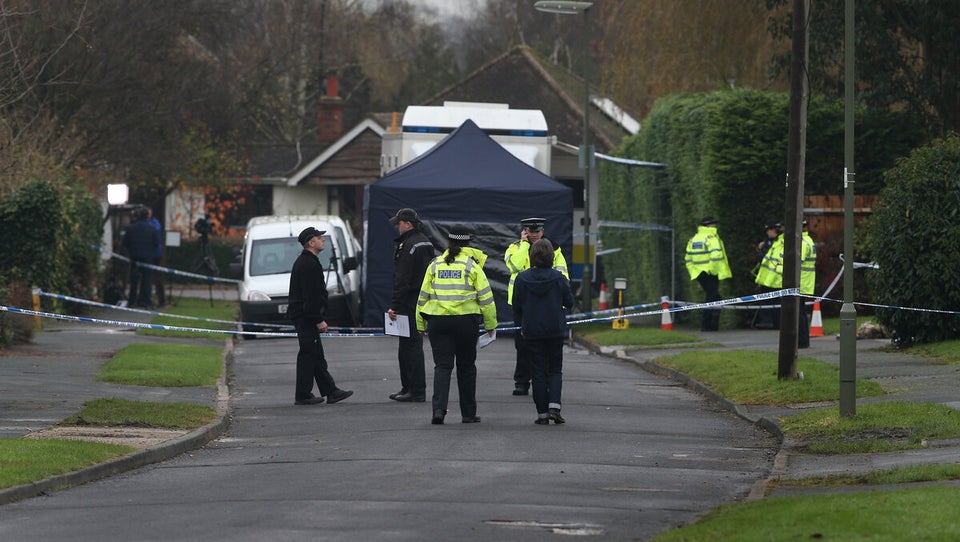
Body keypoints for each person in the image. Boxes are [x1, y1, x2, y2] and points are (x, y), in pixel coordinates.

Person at [416, 226, 497, 425]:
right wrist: (490, 324)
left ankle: (438, 410)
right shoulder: (471, 266)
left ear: (449, 242)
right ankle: (468, 414)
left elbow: (423, 296)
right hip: (465, 323)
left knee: (442, 367)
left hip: (438, 322)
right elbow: (486, 298)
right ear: (467, 243)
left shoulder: (435, 265)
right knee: (467, 367)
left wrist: (420, 322)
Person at [512, 239, 575, 425]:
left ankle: (542, 413)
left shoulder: (522, 278)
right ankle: (554, 406)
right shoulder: (558, 278)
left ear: (531, 257)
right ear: (551, 257)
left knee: (537, 371)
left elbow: (516, 306)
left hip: (532, 331)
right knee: (555, 369)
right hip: (555, 330)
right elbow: (569, 302)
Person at [288, 226, 354, 406]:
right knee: (309, 354)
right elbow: (310, 296)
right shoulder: (308, 264)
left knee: (315, 355)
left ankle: (331, 391)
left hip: (304, 316)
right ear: (311, 242)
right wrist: (318, 319)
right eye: (319, 238)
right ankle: (302, 395)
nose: (323, 240)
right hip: (306, 317)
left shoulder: (308, 261)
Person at [504, 217, 568, 396]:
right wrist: (524, 246)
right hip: (523, 306)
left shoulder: (555, 250)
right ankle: (522, 382)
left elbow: (562, 276)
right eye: (530, 232)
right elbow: (515, 266)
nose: (533, 235)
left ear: (543, 231)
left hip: (547, 304)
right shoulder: (515, 248)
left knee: (547, 346)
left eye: (536, 231)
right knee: (522, 346)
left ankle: (545, 380)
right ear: (524, 232)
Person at [386, 208, 435, 402]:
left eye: (399, 223)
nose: (397, 227)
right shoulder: (426, 242)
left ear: (408, 224)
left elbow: (402, 278)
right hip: (423, 300)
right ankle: (409, 388)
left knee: (410, 346)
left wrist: (395, 305)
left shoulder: (408, 245)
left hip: (409, 301)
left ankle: (414, 390)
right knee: (410, 345)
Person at [684, 216, 732, 331]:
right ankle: (707, 325)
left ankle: (711, 325)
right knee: (712, 297)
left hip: (699, 273)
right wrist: (713, 269)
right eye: (713, 224)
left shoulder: (694, 239)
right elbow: (716, 255)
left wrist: (693, 271)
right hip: (710, 272)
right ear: (709, 225)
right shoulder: (711, 237)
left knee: (713, 296)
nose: (715, 226)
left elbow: (688, 258)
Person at [123, 207, 160, 308]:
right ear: (148, 215)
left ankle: (132, 301)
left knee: (134, 280)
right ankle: (146, 302)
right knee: (147, 280)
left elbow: (125, 242)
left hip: (134, 257)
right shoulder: (152, 228)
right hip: (148, 257)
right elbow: (156, 243)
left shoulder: (131, 228)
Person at [752, 219, 781, 329]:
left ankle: (776, 323)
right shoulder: (767, 242)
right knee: (764, 300)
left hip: (775, 278)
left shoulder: (778, 243)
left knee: (776, 301)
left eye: (769, 230)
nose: (767, 232)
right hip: (766, 278)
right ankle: (766, 321)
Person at [798, 219, 817, 348]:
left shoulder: (803, 243)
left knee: (799, 314)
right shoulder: (809, 240)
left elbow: (798, 260)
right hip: (807, 281)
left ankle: (802, 341)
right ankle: (803, 341)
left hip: (801, 281)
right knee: (802, 313)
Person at [147, 207, 166, 307]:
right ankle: (147, 298)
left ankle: (161, 300)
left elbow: (155, 235)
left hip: (155, 254)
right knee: (148, 278)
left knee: (157, 278)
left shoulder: (154, 223)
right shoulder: (151, 223)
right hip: (151, 253)